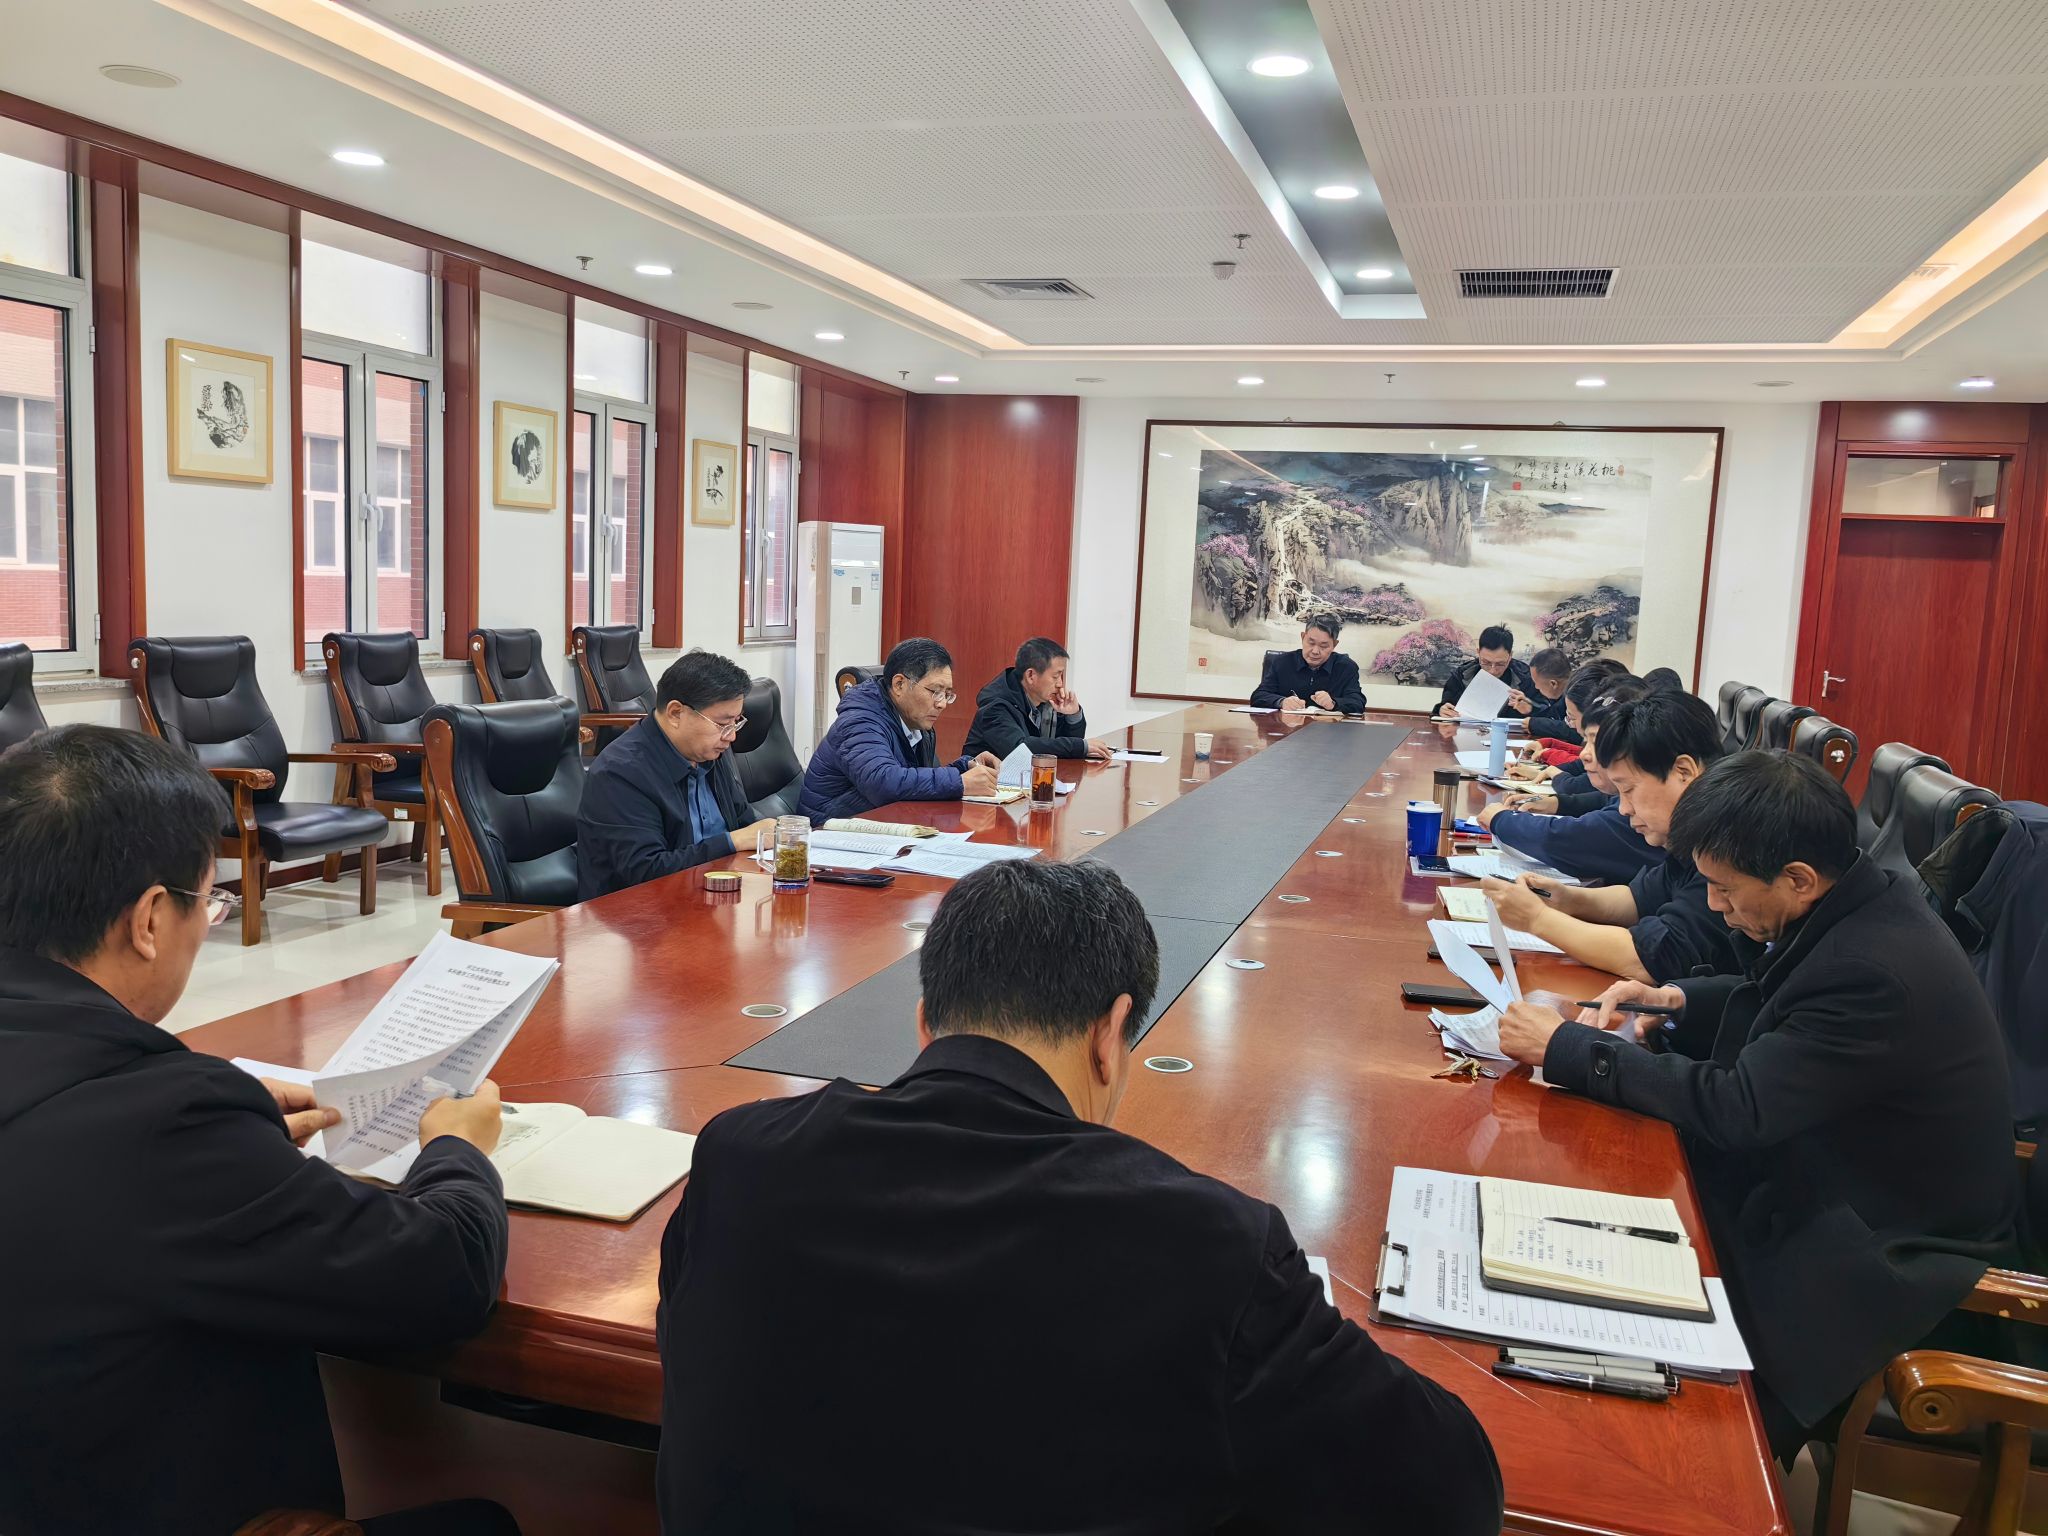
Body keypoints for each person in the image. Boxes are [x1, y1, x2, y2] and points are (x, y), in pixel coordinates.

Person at [657, 859, 1504, 1533]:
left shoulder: (739, 1156)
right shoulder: (1206, 1245)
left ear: (924, 1024)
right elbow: (1452, 1496)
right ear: (1111, 1034)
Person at [0, 726, 514, 1536]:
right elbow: (442, 1276)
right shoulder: (160, 1123)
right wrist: (457, 1148)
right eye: (210, 902)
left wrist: (229, 1129)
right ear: (149, 920)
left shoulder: (130, 1102)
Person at [1494, 752, 2017, 1454]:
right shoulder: (1862, 900)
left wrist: (1568, 1049)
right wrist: (1675, 998)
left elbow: (1739, 1109)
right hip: (1822, 1185)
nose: (1714, 905)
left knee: (1658, 1422)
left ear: (1797, 879)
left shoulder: (1872, 972)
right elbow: (1779, 1001)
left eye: (1723, 888)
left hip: (1876, 1253)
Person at [1481, 690, 1736, 981]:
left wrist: (1536, 918)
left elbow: (1648, 960)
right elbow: (1638, 898)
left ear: (1683, 772)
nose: (1623, 809)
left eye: (1628, 790)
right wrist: (1566, 898)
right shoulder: (1691, 831)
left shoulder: (1727, 843)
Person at [576, 650, 782, 900]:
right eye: (722, 724)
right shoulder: (620, 772)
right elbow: (646, 873)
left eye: (736, 722)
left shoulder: (710, 752)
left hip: (711, 899)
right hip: (638, 914)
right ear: (675, 713)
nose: (731, 736)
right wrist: (732, 842)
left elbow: (743, 822)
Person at [798, 637, 1003, 823]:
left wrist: (965, 767)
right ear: (899, 685)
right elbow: (883, 783)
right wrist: (959, 783)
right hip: (828, 832)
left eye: (947, 694)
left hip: (881, 825)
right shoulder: (859, 721)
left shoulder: (916, 721)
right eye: (935, 691)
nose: (941, 704)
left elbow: (917, 779)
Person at [1479, 683, 1662, 885]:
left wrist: (1501, 820)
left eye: (1596, 743)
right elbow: (1605, 800)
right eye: (1586, 740)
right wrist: (1556, 803)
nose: (1584, 754)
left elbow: (1568, 839)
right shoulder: (1632, 796)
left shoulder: (1645, 809)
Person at [963, 636, 1111, 762]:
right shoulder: (995, 707)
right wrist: (1080, 746)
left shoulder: (1045, 701)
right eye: (1055, 676)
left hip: (1026, 781)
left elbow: (1064, 752)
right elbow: (1020, 749)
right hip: (987, 784)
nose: (1060, 684)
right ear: (1031, 676)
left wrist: (1072, 716)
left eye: (1061, 675)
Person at [1248, 612, 1368, 713]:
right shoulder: (1282, 662)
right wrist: (1281, 702)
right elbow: (1258, 696)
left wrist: (1333, 703)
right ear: (1302, 637)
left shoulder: (1346, 667)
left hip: (1329, 731)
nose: (1315, 651)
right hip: (1286, 729)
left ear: (1334, 645)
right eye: (1311, 643)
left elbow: (1358, 703)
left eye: (1323, 646)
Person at [1433, 625, 1534, 719]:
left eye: (1500, 664)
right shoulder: (1461, 675)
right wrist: (1441, 710)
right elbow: (1446, 706)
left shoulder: (1527, 677)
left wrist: (1530, 709)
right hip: (1468, 731)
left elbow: (1541, 716)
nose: (1492, 671)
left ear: (1510, 655)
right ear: (1478, 652)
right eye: (1486, 662)